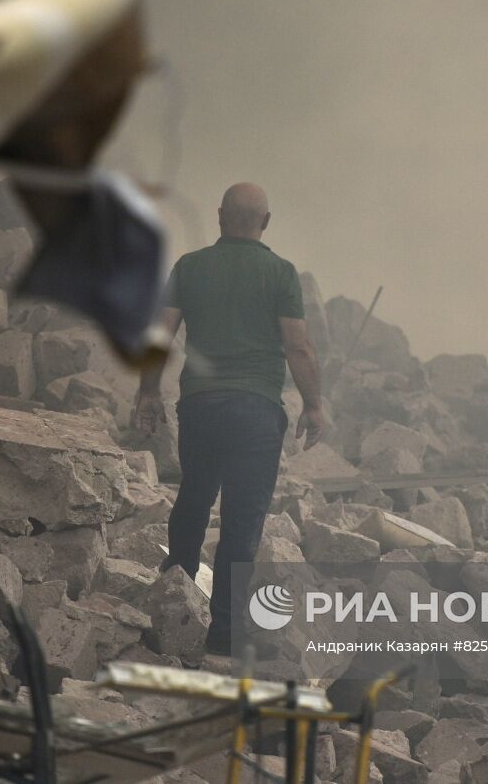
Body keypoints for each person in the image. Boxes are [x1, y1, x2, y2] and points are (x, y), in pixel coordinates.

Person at [132, 182, 326, 655]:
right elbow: (297, 346)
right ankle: (223, 637)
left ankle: (173, 594)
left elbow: (160, 332)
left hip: (201, 405)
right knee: (241, 524)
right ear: (266, 222)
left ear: (220, 217)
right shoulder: (281, 274)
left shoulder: (190, 267)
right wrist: (314, 404)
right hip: (257, 411)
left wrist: (148, 391)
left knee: (195, 496)